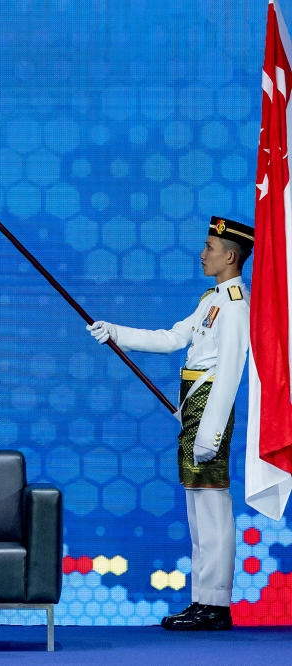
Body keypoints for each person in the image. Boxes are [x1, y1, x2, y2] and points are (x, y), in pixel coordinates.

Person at [87, 216, 253, 632]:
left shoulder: (235, 306)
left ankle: (216, 604)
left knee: (213, 507)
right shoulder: (211, 299)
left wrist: (211, 430)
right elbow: (172, 338)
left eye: (210, 248)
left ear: (230, 257)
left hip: (208, 410)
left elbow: (229, 371)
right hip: (193, 406)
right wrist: (116, 332)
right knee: (198, 508)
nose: (202, 254)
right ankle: (203, 599)